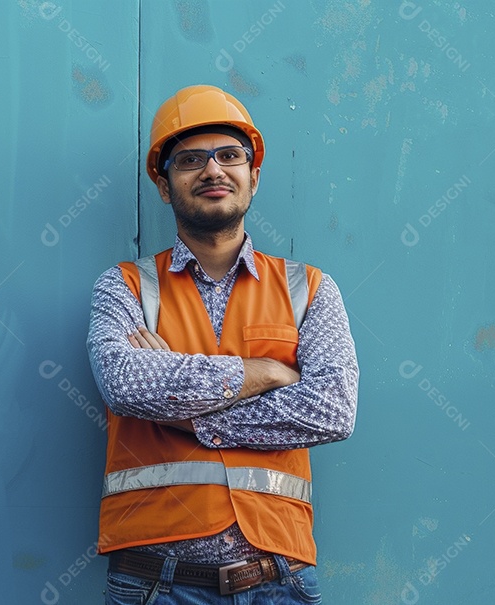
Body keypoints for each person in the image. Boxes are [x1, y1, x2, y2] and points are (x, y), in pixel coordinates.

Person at [86, 84, 359, 604]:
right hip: (153, 581)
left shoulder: (309, 289)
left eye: (230, 156)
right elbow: (125, 384)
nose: (213, 171)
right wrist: (267, 374)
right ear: (165, 187)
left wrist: (182, 409)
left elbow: (332, 410)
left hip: (280, 579)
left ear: (253, 176)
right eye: (191, 160)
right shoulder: (124, 286)